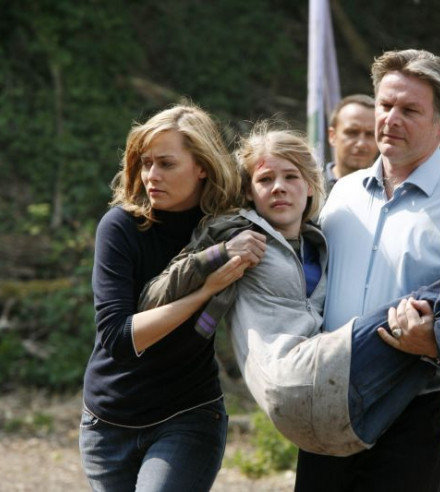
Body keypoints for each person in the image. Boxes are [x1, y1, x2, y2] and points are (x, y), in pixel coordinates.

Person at [138, 123, 440, 492]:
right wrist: (216, 260)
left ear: (310, 185)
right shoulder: (235, 231)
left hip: (331, 385)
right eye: (265, 179)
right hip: (295, 374)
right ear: (249, 191)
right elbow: (154, 297)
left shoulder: (320, 238)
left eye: (290, 177)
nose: (279, 188)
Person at [294, 48, 440, 492]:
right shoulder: (341, 195)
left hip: (413, 411)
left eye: (409, 110)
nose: (391, 119)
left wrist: (434, 344)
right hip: (329, 399)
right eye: (385, 105)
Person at [79, 103, 264, 491]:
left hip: (188, 415)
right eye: (146, 163)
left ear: (202, 167)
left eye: (166, 164)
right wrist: (205, 290)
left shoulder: (228, 227)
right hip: (107, 425)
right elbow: (120, 338)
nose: (151, 176)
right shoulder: (120, 226)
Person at [324, 94, 378, 191]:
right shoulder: (308, 189)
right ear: (332, 136)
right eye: (352, 132)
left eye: (370, 134)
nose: (361, 144)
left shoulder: (393, 192)